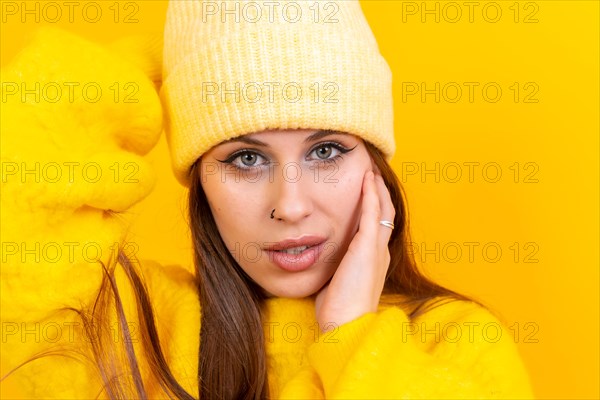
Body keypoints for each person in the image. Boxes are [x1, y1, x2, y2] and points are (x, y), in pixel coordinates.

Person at [0, 0, 535, 398]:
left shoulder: (454, 346)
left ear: (373, 168)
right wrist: (164, 67)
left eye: (326, 151)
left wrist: (350, 333)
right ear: (201, 181)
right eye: (246, 159)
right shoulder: (144, 332)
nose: (292, 205)